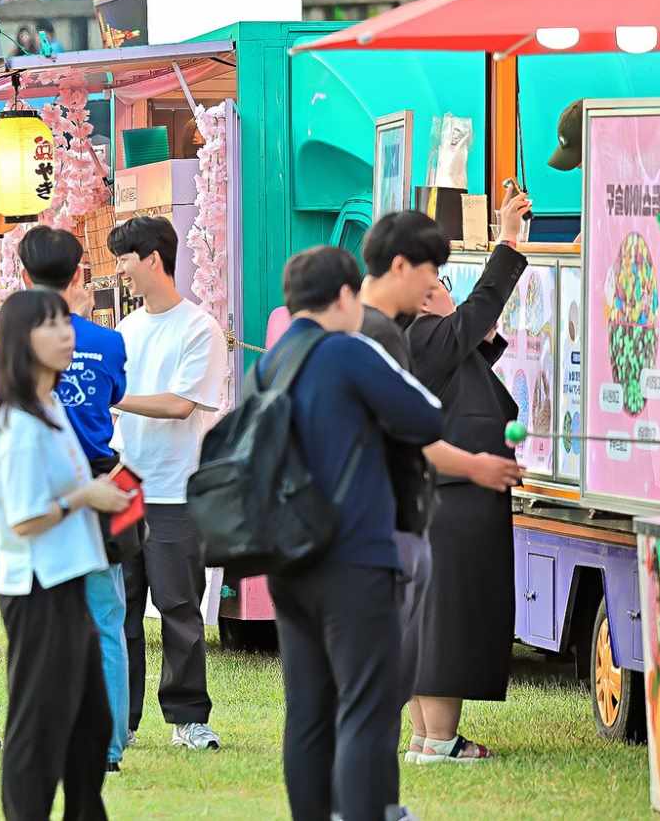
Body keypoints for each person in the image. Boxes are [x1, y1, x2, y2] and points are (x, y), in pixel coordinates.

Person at [265, 246, 454, 821]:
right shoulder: (347, 352)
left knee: (307, 711)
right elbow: (426, 416)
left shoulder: (271, 363)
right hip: (355, 558)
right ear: (346, 297)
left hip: (288, 557)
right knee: (367, 707)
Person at [0, 225, 133, 768]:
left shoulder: (5, 342)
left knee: (44, 642)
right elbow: (114, 399)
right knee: (106, 622)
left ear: (21, 272)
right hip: (99, 492)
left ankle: (67, 742)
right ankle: (107, 743)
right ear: (79, 272)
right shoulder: (107, 342)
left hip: (49, 505)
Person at [406, 193, 534, 762]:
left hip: (444, 495)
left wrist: (477, 332)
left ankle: (423, 735)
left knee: (433, 617)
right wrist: (508, 239)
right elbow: (481, 307)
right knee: (448, 619)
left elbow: (476, 330)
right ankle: (440, 738)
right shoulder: (421, 337)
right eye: (438, 288)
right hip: (454, 495)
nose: (448, 296)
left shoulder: (423, 342)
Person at [107, 216, 226, 752]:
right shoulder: (127, 331)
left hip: (177, 491)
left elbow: (180, 405)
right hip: (126, 487)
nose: (122, 271)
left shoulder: (199, 328)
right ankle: (122, 720)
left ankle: (187, 718)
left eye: (126, 260)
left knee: (179, 608)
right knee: (122, 607)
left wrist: (115, 397)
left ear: (153, 258)